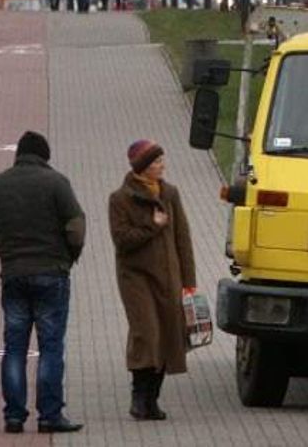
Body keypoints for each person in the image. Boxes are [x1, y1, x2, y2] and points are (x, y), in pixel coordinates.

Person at [0, 131, 86, 434]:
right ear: (45, 155)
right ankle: (49, 415)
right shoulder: (57, 182)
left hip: (13, 274)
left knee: (14, 347)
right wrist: (69, 256)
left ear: (18, 154)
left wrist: (5, 250)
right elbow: (76, 226)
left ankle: (14, 416)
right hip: (51, 273)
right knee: (51, 346)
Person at [108, 140, 196, 421]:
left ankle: (152, 400)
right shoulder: (120, 199)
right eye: (157, 162)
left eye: (161, 160)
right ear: (143, 167)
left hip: (169, 276)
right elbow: (122, 241)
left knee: (169, 334)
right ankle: (139, 397)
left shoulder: (170, 194)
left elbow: (183, 238)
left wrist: (189, 281)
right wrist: (152, 226)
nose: (162, 166)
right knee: (146, 334)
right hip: (135, 277)